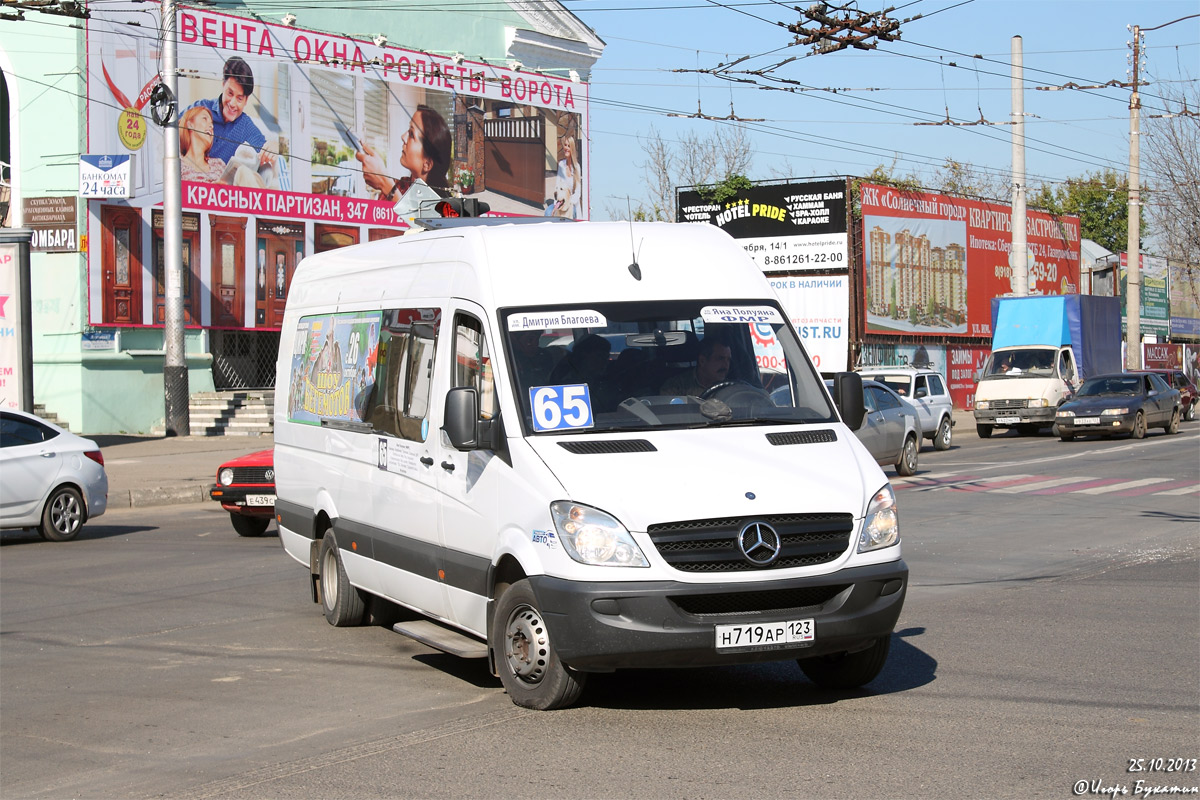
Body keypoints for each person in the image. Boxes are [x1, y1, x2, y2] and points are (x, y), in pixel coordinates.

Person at [187, 56, 275, 173]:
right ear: (223, 84)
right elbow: (173, 128)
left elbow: (265, 149)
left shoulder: (246, 127)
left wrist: (273, 146)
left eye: (239, 98)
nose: (232, 103)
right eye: (230, 93)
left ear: (246, 100)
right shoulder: (201, 108)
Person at [357, 105, 452, 203]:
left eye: (411, 134)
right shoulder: (400, 186)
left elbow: (417, 218)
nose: (403, 137)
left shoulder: (444, 208)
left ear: (427, 164)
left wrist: (386, 184)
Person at [661, 337, 732, 397]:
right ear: (702, 361)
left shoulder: (732, 389)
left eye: (728, 360)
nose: (726, 365)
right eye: (720, 359)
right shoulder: (676, 386)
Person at [178, 106, 227, 183]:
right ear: (190, 125)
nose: (212, 126)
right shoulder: (177, 166)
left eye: (211, 123)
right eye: (205, 119)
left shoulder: (219, 164)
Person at [552, 135, 581, 218]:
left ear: (572, 149)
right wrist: (557, 204)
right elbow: (557, 187)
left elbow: (577, 193)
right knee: (548, 212)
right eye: (565, 145)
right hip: (561, 203)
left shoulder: (577, 167)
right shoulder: (561, 165)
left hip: (572, 203)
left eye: (569, 146)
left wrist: (569, 203)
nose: (566, 148)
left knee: (572, 214)